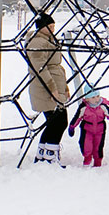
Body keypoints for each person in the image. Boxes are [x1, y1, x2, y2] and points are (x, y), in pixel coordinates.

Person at [25, 11, 71, 164]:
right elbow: (40, 68)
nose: (53, 29)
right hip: (45, 88)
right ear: (41, 27)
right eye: (49, 26)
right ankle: (49, 155)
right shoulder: (37, 42)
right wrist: (53, 89)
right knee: (59, 121)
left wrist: (64, 89)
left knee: (55, 121)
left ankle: (44, 154)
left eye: (53, 26)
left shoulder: (48, 39)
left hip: (53, 86)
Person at [69, 86, 109, 167]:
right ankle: (87, 161)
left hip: (100, 130)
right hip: (87, 130)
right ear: (87, 99)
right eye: (93, 97)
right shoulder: (84, 107)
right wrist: (72, 127)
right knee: (86, 147)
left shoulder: (103, 106)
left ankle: (97, 164)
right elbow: (77, 117)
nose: (96, 99)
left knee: (98, 148)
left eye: (98, 96)